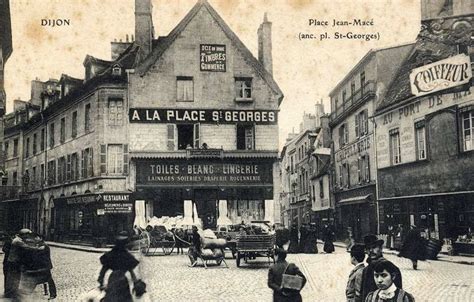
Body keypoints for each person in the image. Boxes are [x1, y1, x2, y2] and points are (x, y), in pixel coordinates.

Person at [97, 231, 141, 302]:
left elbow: (103, 270)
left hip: (113, 281)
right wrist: (136, 283)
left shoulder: (111, 255)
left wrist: (101, 282)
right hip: (122, 281)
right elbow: (132, 272)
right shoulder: (127, 256)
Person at [5, 229, 45, 299]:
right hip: (14, 262)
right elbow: (27, 247)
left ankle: (12, 292)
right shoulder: (18, 241)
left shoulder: (17, 239)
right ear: (24, 234)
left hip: (13, 261)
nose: (28, 236)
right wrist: (38, 248)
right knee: (14, 277)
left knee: (14, 277)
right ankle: (11, 294)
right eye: (27, 235)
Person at [361, 234, 402, 302]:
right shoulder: (366, 270)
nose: (371, 250)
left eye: (374, 247)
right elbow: (363, 294)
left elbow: (398, 295)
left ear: (380, 248)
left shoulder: (391, 268)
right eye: (368, 248)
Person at [19, 234, 57, 300]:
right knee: (38, 279)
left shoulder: (44, 246)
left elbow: (39, 254)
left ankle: (53, 294)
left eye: (36, 237)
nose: (35, 239)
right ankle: (29, 291)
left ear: (40, 238)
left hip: (45, 266)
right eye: (35, 237)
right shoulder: (38, 245)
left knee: (49, 280)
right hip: (42, 266)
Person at [2, 232, 13, 297]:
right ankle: (8, 292)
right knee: (8, 276)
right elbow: (4, 249)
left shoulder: (9, 241)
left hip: (7, 261)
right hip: (8, 261)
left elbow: (3, 249)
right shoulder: (10, 242)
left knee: (7, 276)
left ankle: (8, 291)